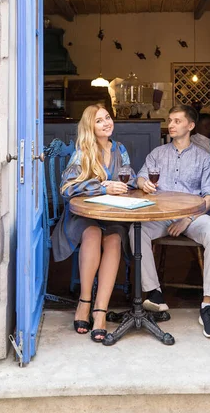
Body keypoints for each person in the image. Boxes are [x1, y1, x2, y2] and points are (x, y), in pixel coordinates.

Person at [130, 105, 210, 339]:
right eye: (170, 121)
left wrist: (188, 219)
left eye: (177, 121)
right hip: (160, 215)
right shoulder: (158, 153)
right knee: (135, 230)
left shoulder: (203, 157)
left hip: (192, 216)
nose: (171, 125)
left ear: (190, 126)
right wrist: (143, 184)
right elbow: (140, 176)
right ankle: (155, 293)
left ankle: (208, 306)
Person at [52, 104, 136, 342]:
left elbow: (128, 177)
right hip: (83, 216)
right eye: (99, 121)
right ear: (91, 127)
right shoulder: (83, 151)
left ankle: (100, 310)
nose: (106, 123)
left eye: (107, 117)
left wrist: (131, 183)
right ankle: (84, 301)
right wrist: (101, 187)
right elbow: (66, 188)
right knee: (92, 235)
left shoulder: (120, 149)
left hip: (112, 214)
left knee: (114, 239)